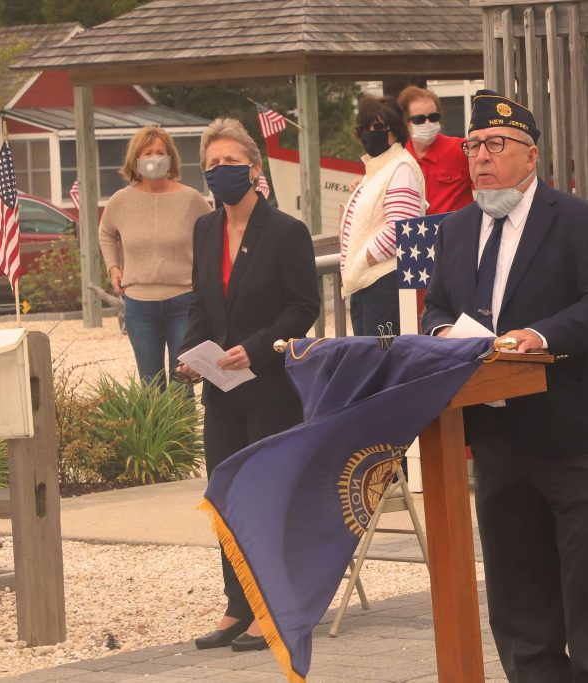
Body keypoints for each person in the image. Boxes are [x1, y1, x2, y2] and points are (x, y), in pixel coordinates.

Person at [421, 91, 588, 682]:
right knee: (518, 591)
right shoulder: (456, 230)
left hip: (570, 434)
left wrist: (540, 336)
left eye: (497, 145)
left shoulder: (580, 221)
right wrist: (443, 331)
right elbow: (436, 308)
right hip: (495, 436)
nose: (481, 158)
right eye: (472, 146)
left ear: (531, 156)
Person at [174, 118, 319, 653]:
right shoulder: (206, 229)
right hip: (221, 389)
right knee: (226, 498)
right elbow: (201, 302)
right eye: (211, 165)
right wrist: (191, 354)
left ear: (254, 170)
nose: (220, 173)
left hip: (271, 387)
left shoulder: (286, 232)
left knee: (264, 499)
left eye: (230, 163)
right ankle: (238, 605)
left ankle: (271, 606)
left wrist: (254, 347)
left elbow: (303, 307)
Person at [98, 126, 212, 389]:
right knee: (150, 385)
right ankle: (156, 432)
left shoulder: (191, 199)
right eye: (148, 153)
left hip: (184, 302)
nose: (155, 158)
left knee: (182, 384)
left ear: (171, 158)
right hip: (139, 306)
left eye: (161, 152)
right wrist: (113, 267)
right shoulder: (120, 201)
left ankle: (181, 432)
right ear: (136, 159)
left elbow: (214, 236)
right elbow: (105, 232)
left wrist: (204, 277)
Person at [338, 95, 424, 336]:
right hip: (366, 285)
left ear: (394, 131)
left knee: (382, 357)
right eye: (365, 127)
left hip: (383, 286)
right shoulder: (378, 169)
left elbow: (399, 229)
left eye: (378, 127)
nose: (370, 133)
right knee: (370, 360)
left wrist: (362, 260)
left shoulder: (401, 167)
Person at [397, 86, 473, 214]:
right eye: (419, 119)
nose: (428, 123)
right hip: (415, 232)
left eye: (433, 117)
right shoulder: (397, 159)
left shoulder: (462, 149)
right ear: (406, 123)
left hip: (457, 232)